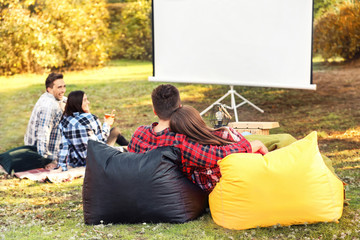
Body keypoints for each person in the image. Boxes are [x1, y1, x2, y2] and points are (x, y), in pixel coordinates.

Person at [128, 84, 268, 193]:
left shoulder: (138, 134)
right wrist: (251, 146)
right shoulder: (181, 141)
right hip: (174, 195)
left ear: (154, 111)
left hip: (143, 189)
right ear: (180, 107)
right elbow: (218, 156)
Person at [58, 90, 128, 171]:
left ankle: (134, 147)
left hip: (78, 162)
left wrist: (62, 166)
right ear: (78, 103)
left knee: (115, 131)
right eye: (85, 100)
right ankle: (136, 149)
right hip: (99, 159)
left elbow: (63, 145)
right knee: (126, 147)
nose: (88, 102)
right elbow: (102, 139)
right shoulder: (90, 118)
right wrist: (107, 124)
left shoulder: (64, 121)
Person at [24, 73, 67, 169]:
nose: (63, 90)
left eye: (64, 86)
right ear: (49, 89)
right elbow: (43, 135)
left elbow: (65, 100)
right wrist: (44, 161)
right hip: (40, 152)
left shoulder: (50, 97)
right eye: (59, 87)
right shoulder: (49, 106)